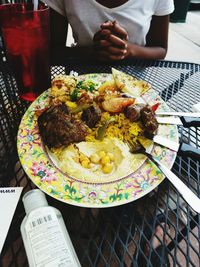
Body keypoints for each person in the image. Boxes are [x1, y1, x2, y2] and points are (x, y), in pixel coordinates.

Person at [41, 0, 174, 62]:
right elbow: (53, 51)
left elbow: (160, 49)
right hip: (80, 77)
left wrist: (128, 50)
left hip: (137, 84)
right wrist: (93, 51)